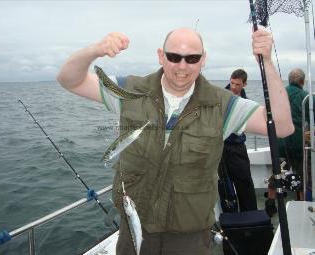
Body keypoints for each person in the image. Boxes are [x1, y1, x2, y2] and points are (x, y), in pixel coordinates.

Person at [57, 28, 294, 255]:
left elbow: (282, 126)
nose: (182, 66)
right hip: (133, 229)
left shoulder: (223, 105)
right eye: (174, 57)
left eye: (192, 58)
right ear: (161, 56)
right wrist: (95, 50)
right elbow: (70, 80)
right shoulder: (128, 91)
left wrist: (268, 63)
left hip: (189, 239)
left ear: (203, 60)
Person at [266, 68, 312, 213]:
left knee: (278, 173)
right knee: (303, 177)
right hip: (300, 146)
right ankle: (302, 206)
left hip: (280, 145)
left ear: (289, 79)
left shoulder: (277, 96)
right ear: (302, 82)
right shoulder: (307, 97)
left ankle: (270, 204)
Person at [219, 69, 257, 212]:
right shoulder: (221, 98)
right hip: (221, 147)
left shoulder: (246, 101)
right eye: (232, 83)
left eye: (238, 84)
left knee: (245, 181)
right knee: (224, 183)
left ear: (245, 84)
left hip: (238, 146)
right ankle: (230, 218)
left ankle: (250, 215)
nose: (234, 87)